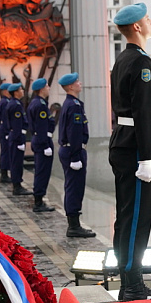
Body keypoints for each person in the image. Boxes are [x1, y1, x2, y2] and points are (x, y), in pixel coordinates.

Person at [109, 2, 151, 301]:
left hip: (124, 141)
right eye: (147, 19)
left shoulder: (123, 60)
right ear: (138, 27)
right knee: (137, 217)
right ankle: (131, 284)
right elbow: (143, 112)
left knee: (127, 215)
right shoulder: (141, 63)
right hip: (134, 148)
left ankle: (131, 277)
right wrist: (145, 157)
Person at [57, 72, 94, 238]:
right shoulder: (73, 106)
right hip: (74, 151)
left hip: (72, 150)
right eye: (77, 81)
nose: (80, 83)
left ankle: (74, 223)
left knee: (73, 186)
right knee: (74, 188)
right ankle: (73, 226)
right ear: (70, 86)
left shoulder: (72, 103)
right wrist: (75, 157)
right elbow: (74, 132)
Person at [27, 78, 56, 214]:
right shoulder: (40, 105)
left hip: (39, 139)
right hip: (42, 141)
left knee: (41, 171)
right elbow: (41, 126)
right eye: (47, 86)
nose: (48, 88)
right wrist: (45, 145)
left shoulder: (38, 103)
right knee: (42, 172)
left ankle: (39, 198)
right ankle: (38, 201)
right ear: (41, 89)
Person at [6, 82, 31, 197]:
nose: (22, 91)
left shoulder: (15, 103)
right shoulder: (15, 105)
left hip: (16, 137)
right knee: (16, 163)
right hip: (17, 138)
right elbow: (16, 125)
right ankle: (17, 187)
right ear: (16, 92)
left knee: (16, 162)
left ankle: (17, 185)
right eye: (21, 89)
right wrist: (20, 141)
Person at [0, 83, 12, 183]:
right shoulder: (5, 102)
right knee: (5, 152)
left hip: (4, 129)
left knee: (5, 152)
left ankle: (5, 173)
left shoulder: (4, 102)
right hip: (5, 130)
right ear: (5, 91)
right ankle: (4, 174)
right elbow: (5, 118)